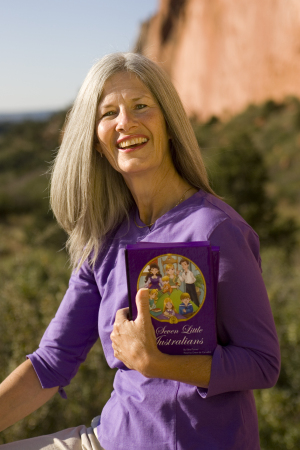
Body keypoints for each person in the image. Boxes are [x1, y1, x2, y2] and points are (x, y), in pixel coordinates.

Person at [0, 52, 280, 450]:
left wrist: (159, 363)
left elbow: (262, 363)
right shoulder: (104, 237)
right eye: (108, 113)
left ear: (168, 124)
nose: (125, 123)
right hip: (107, 439)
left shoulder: (216, 229)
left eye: (141, 106)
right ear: (96, 141)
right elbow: (52, 362)